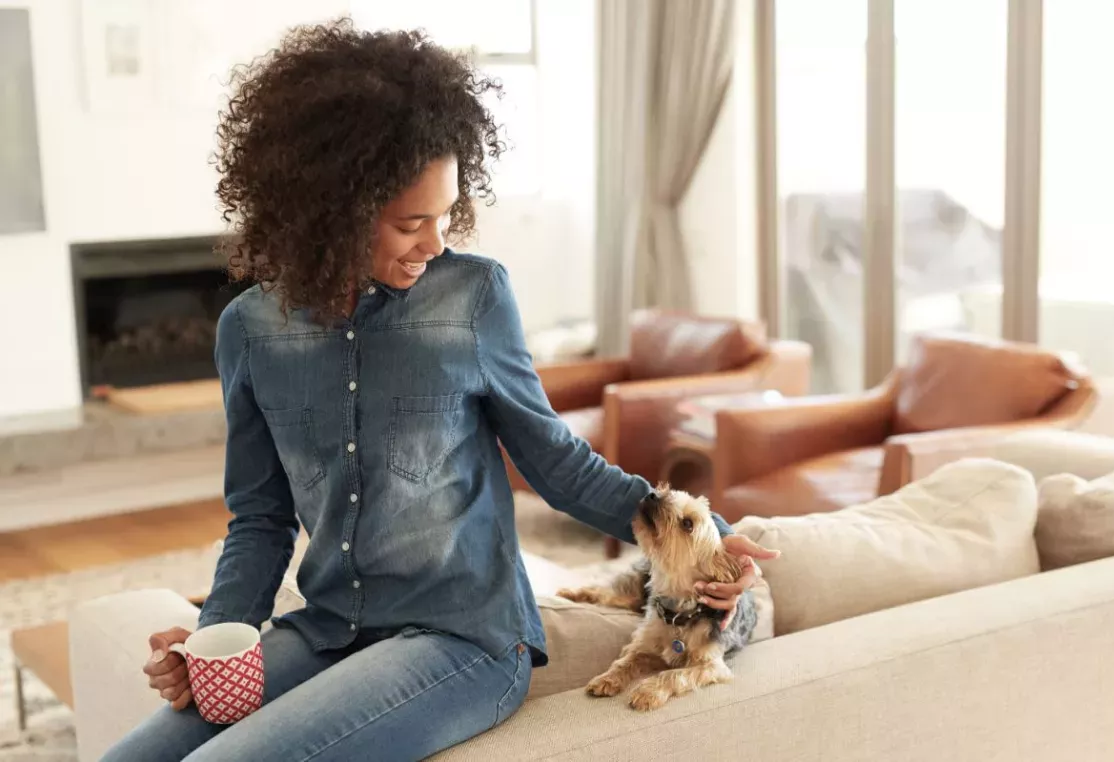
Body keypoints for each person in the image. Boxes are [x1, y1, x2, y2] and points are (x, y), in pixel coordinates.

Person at [102, 19, 777, 762]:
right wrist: (214, 639)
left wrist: (699, 541)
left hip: (464, 639)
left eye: (445, 213)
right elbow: (260, 518)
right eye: (409, 222)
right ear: (327, 215)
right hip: (328, 627)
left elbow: (553, 460)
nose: (435, 242)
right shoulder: (249, 331)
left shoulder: (475, 297)